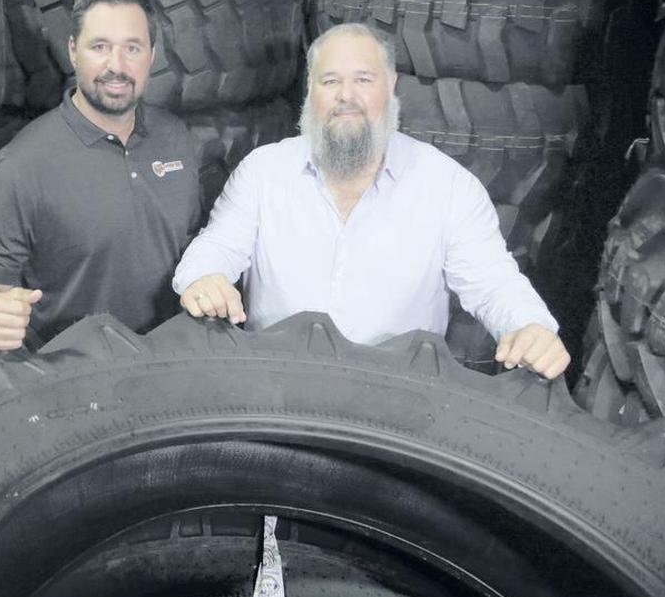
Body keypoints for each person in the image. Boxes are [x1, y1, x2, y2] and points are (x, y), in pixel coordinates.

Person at [172, 23, 571, 379]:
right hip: (276, 390)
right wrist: (205, 276)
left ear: (391, 85)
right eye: (330, 81)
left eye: (364, 80)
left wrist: (530, 326)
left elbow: (492, 282)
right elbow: (218, 246)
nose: (347, 96)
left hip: (397, 407)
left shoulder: (448, 187)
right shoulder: (263, 171)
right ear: (310, 90)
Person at [0, 0, 201, 351]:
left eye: (132, 48)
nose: (116, 66)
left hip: (168, 359)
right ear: (73, 51)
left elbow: (191, 244)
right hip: (73, 374)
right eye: (99, 47)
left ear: (151, 55)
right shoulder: (23, 163)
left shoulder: (175, 137)